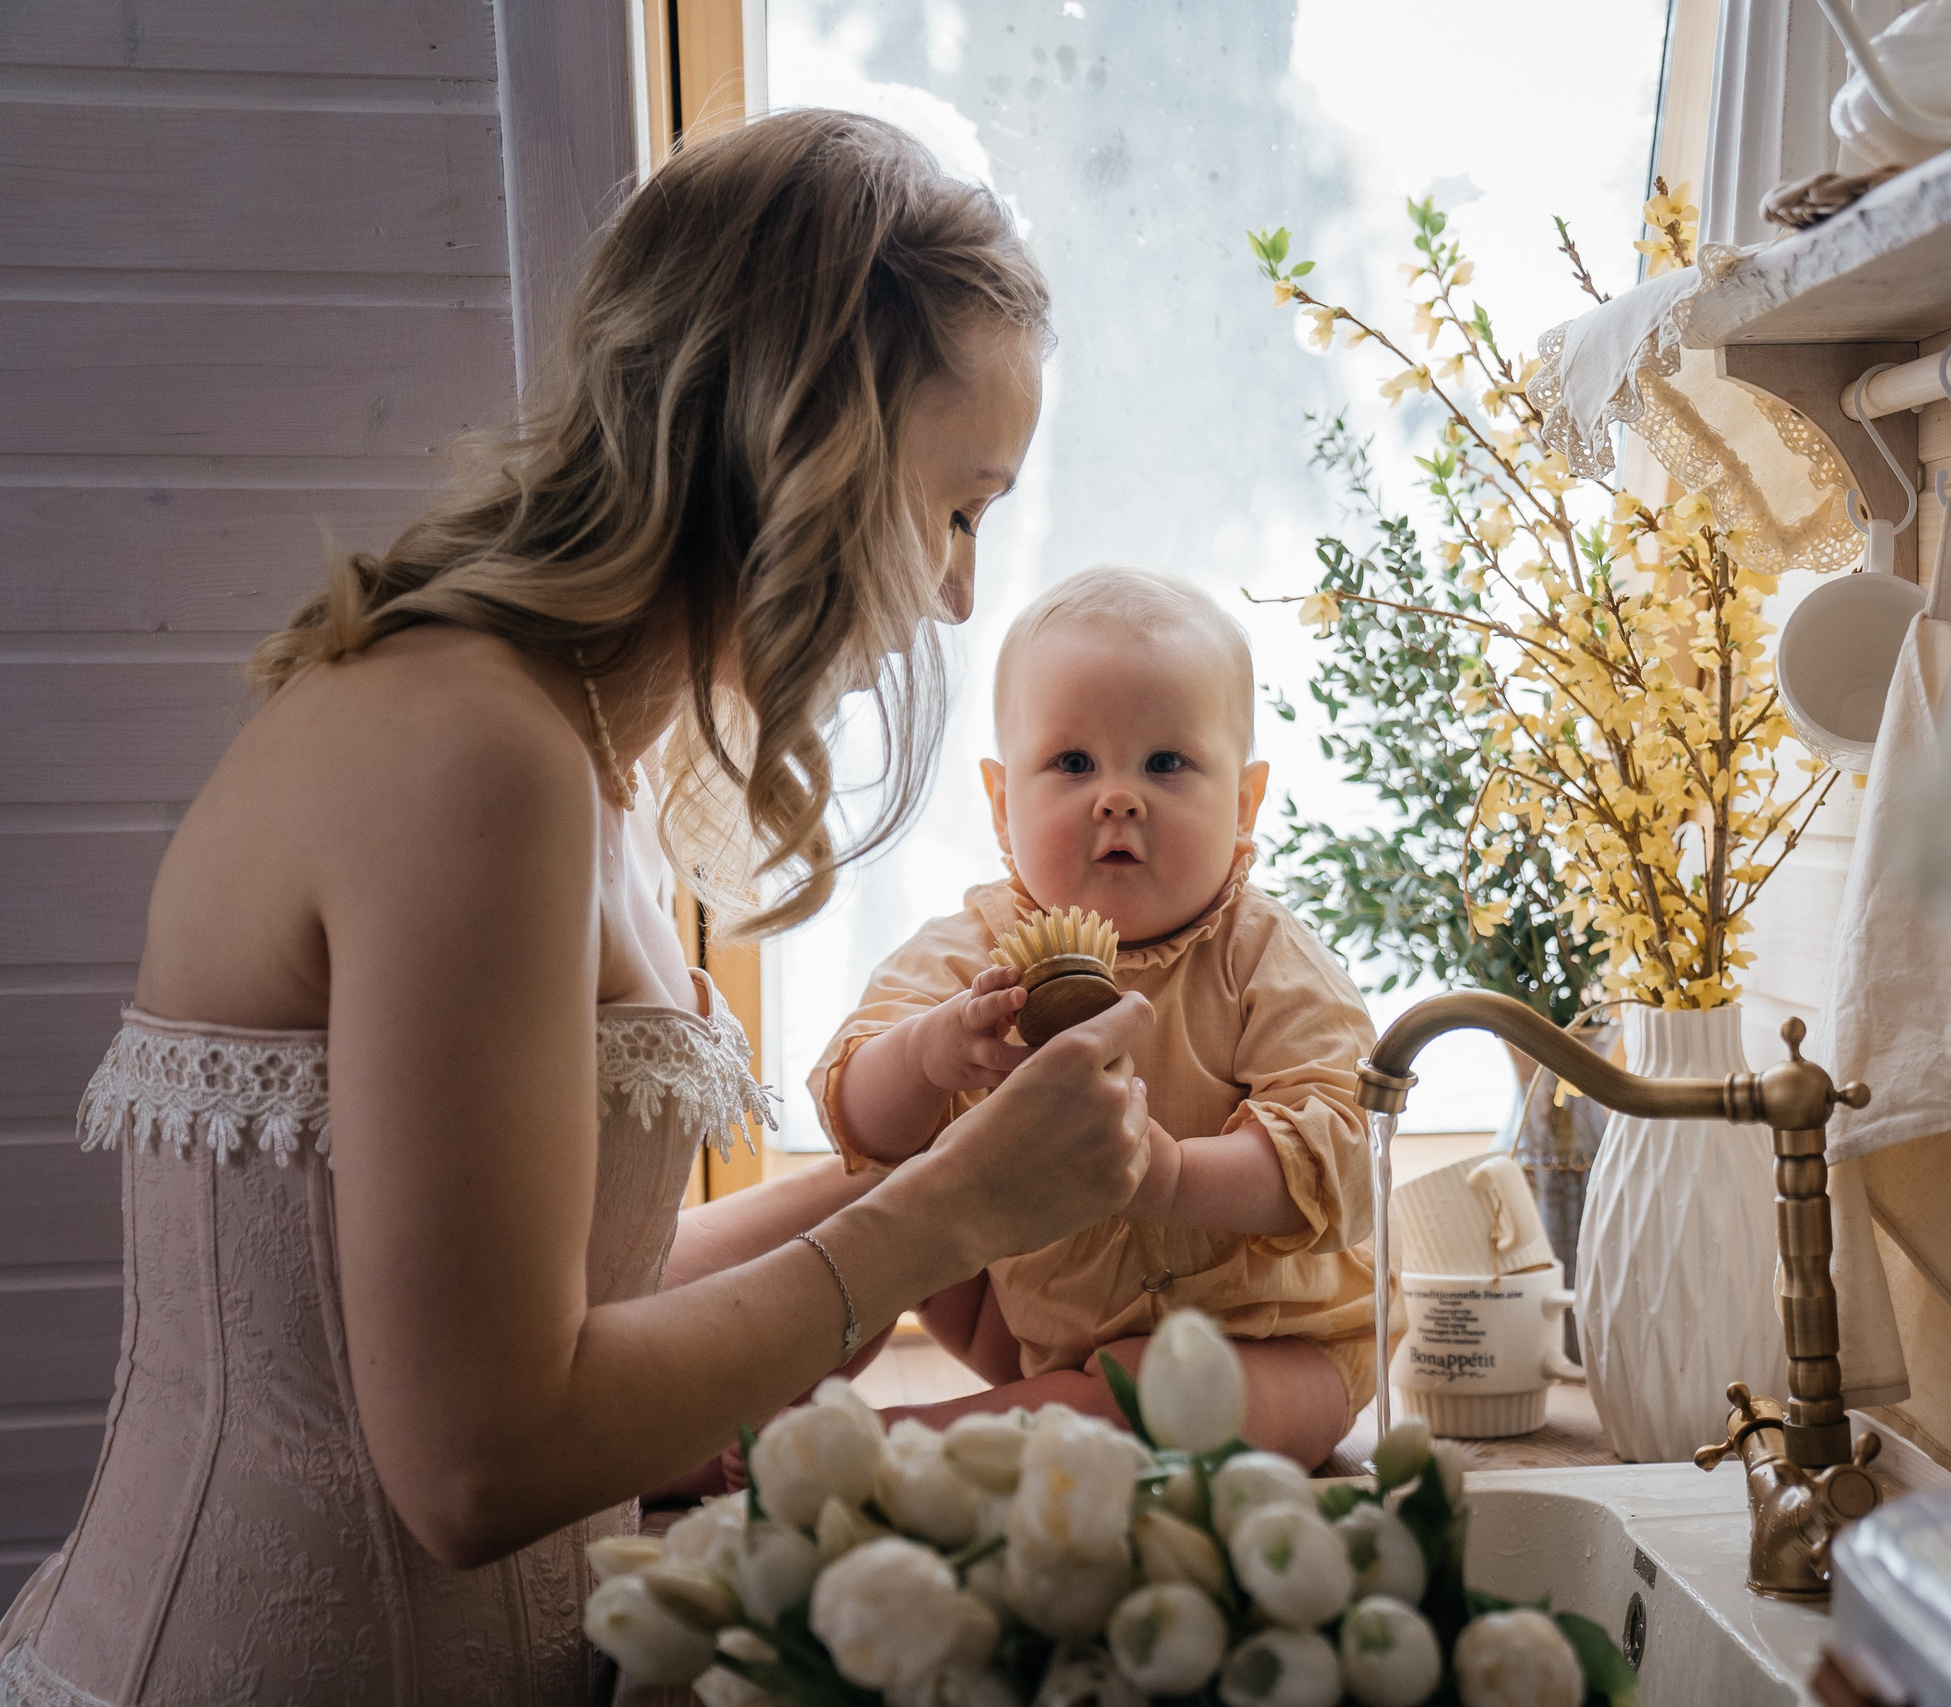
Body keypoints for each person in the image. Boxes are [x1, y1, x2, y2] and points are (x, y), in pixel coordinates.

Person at [0, 112, 1156, 1707]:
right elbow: (475, 1458)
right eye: (959, 506)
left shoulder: (573, 751)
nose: (962, 588)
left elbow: (565, 1276)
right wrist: (946, 1215)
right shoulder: (473, 755)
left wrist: (932, 1163)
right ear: (798, 444)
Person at [805, 568, 1379, 1467]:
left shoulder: (1265, 951)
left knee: (1166, 1398)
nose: (1119, 796)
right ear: (1002, 804)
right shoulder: (978, 948)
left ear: (1243, 804)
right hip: (1033, 1322)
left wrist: (1172, 1177)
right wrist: (928, 1053)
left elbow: (1339, 1143)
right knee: (884, 1201)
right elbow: (854, 1113)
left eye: (1165, 763)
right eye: (1073, 764)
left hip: (1269, 1347)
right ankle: (761, 1403)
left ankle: (895, 1443)